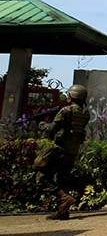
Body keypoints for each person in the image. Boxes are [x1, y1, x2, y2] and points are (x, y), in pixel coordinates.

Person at [34, 84, 90, 221]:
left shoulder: (65, 111)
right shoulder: (84, 113)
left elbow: (52, 128)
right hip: (72, 150)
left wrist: (41, 124)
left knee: (41, 177)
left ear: (71, 96)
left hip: (60, 148)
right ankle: (63, 212)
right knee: (61, 179)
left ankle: (64, 198)